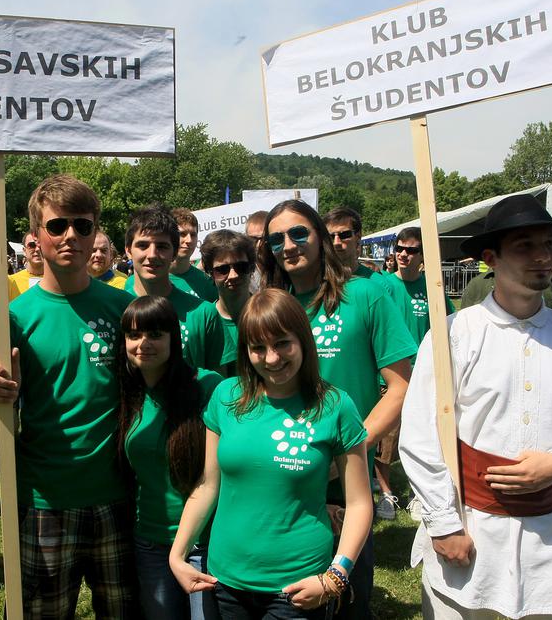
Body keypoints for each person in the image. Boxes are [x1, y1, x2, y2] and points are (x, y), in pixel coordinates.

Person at [399, 193, 552, 619]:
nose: (543, 257)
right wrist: (444, 524)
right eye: (525, 246)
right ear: (491, 258)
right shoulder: (454, 335)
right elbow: (420, 434)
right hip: (471, 531)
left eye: (550, 245)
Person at [0, 174, 138, 618]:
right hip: (43, 502)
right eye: (57, 225)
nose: (70, 236)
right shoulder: (13, 319)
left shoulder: (121, 309)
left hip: (118, 497)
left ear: (95, 232)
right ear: (35, 236)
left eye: (82, 226)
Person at [169, 288, 373, 620]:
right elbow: (207, 485)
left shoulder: (336, 406)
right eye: (258, 348)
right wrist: (177, 555)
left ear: (303, 340)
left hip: (298, 586)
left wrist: (336, 575)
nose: (272, 358)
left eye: (282, 343)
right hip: (225, 580)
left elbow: (360, 502)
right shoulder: (225, 396)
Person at [260, 199, 416, 617]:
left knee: (347, 601)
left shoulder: (365, 295)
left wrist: (350, 453)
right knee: (287, 603)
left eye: (298, 233)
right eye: (276, 239)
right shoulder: (272, 306)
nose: (288, 245)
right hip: (283, 478)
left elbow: (400, 387)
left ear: (320, 237)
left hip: (347, 485)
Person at [117, 296, 222, 619]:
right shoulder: (127, 393)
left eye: (155, 334)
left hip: (204, 543)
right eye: (134, 335)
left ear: (174, 339)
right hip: (150, 540)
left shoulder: (207, 386)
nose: (143, 343)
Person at [374, 227, 455, 520]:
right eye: (399, 248)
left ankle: (417, 493)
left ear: (423, 256)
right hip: (389, 378)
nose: (403, 254)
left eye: (411, 250)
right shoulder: (383, 285)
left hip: (425, 377)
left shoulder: (432, 287)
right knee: (385, 442)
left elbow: (448, 324)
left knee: (424, 439)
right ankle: (386, 494)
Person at [123, 206, 226, 372]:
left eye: (162, 246)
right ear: (128, 250)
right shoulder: (114, 308)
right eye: (143, 245)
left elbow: (218, 381)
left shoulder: (204, 313)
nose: (152, 254)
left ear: (174, 252)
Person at [199, 229, 255, 375]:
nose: (233, 275)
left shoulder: (269, 312)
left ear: (252, 267)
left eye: (241, 267)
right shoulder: (204, 323)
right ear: (210, 273)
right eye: (222, 269)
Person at [323, 207, 390, 294]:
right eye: (330, 237)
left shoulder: (380, 285)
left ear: (358, 237)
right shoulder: (316, 283)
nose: (336, 243)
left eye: (344, 235)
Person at [169, 208, 218, 302]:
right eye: (182, 234)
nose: (189, 240)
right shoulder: (150, 279)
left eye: (193, 235)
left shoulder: (207, 282)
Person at [245, 210, 270, 294]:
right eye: (253, 239)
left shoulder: (284, 267)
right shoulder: (243, 272)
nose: (258, 245)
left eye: (264, 239)